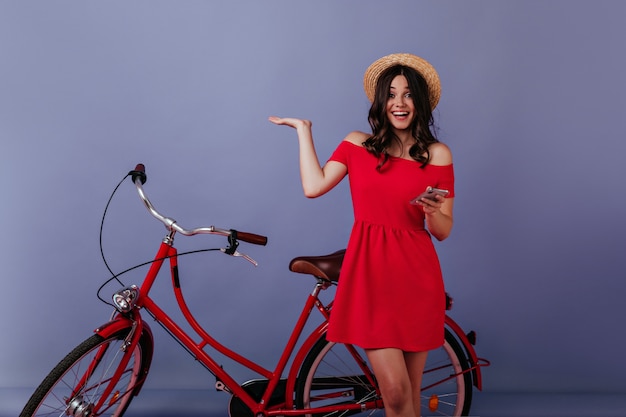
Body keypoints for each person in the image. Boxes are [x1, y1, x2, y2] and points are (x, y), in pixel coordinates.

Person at [269, 53, 454, 417]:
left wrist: (433, 212)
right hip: (370, 273)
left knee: (410, 396)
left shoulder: (437, 154)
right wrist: (304, 131)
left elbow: (443, 230)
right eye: (391, 94)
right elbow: (314, 185)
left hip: (417, 276)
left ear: (421, 101)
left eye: (408, 95)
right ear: (380, 101)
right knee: (396, 393)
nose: (399, 103)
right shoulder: (358, 144)